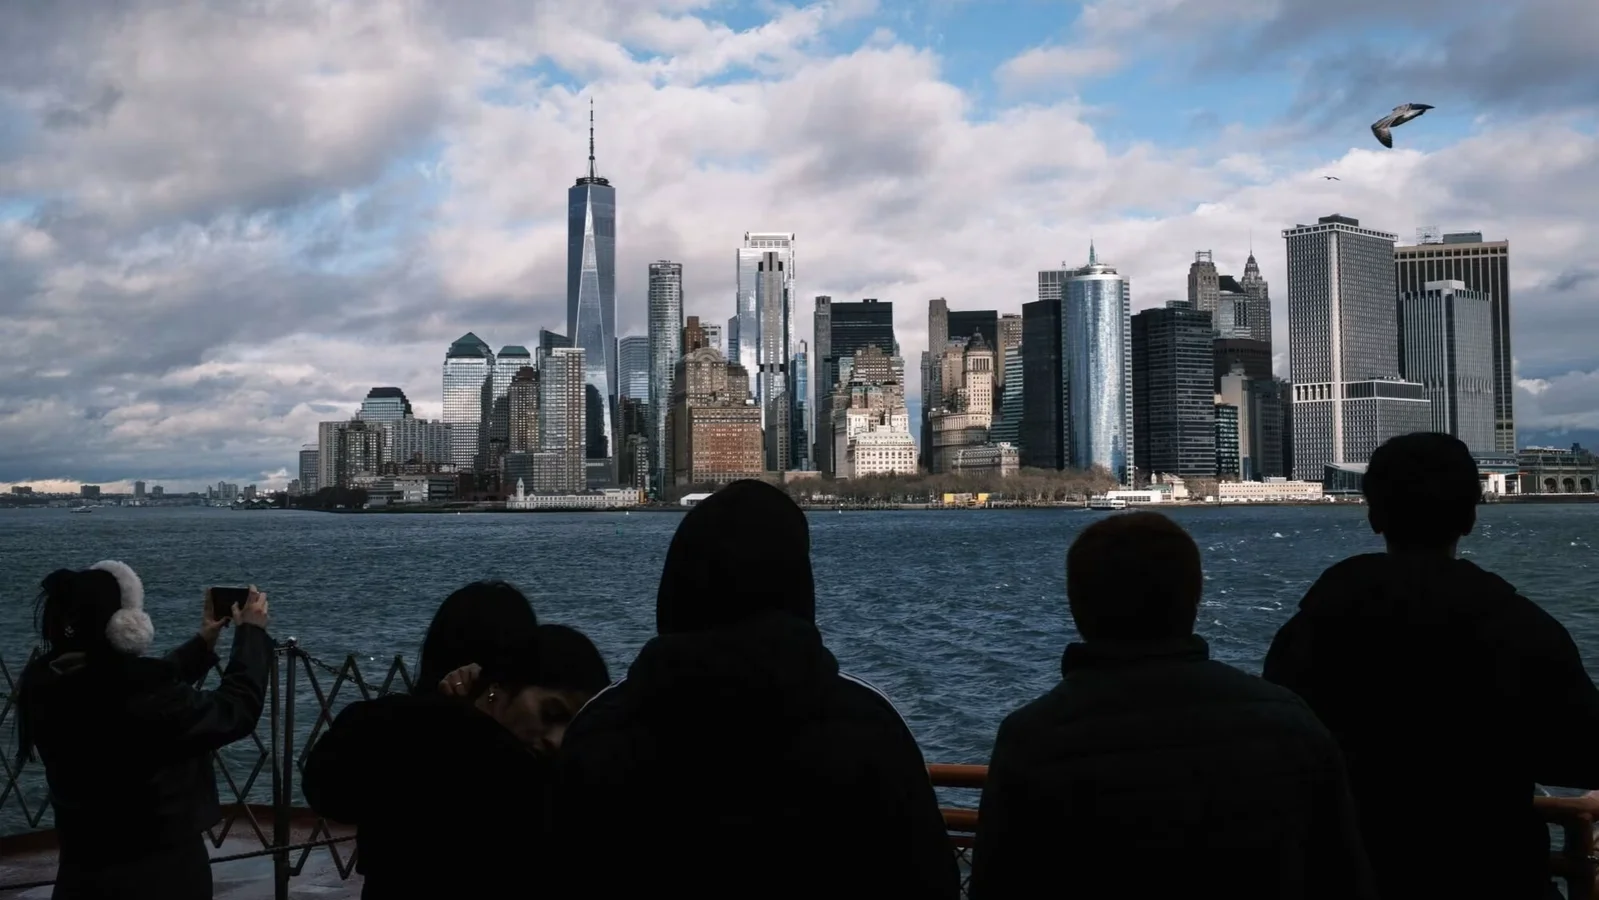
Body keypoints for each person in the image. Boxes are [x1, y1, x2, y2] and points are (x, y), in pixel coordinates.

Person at [550, 479, 960, 899]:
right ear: (799, 587)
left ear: (675, 588)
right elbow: (930, 879)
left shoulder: (600, 727)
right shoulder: (869, 724)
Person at [1263, 432, 1599, 900]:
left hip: (1348, 874)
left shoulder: (1310, 630)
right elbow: (1582, 754)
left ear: (1374, 516)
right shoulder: (1524, 630)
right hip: (1491, 872)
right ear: (1470, 516)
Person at [970, 513, 1373, 900]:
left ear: (1077, 607)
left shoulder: (1031, 739)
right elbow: (1342, 875)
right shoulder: (1291, 723)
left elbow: (998, 883)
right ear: (1194, 600)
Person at [301, 583, 609, 900]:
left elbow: (329, 793)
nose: (557, 739)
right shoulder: (526, 776)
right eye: (551, 713)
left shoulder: (388, 731)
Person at [14, 562, 273, 900]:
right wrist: (251, 634)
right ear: (124, 627)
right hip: (162, 873)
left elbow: (132, 686)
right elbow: (234, 710)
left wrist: (202, 644)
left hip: (82, 870)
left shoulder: (45, 683)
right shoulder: (142, 697)